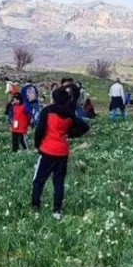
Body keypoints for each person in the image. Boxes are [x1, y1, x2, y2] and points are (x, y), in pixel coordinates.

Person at [31, 88, 90, 219]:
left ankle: (35, 207)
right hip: (62, 152)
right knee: (58, 182)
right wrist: (70, 134)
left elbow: (40, 129)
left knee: (38, 180)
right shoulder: (69, 114)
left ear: (54, 98)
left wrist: (37, 145)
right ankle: (57, 211)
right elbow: (85, 127)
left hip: (47, 150)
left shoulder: (47, 111)